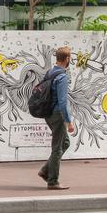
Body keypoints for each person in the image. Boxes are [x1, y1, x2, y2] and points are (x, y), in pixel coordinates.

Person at [37, 46, 76, 190]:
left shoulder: (50, 72)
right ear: (67, 59)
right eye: (69, 57)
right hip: (57, 114)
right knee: (57, 148)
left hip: (48, 113)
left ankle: (45, 170)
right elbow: (62, 102)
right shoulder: (62, 76)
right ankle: (52, 181)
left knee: (65, 143)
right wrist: (69, 122)